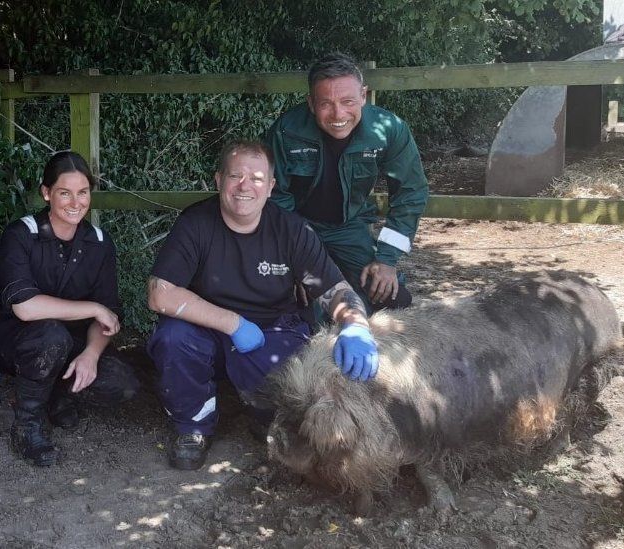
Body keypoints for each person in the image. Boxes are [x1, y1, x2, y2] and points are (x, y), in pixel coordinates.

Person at [146, 140, 379, 471]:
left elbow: (333, 289)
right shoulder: (196, 222)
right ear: (218, 181)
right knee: (173, 338)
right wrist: (234, 324)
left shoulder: (291, 230)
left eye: (256, 178)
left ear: (270, 187)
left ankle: (265, 413)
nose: (245, 187)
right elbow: (160, 293)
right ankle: (193, 424)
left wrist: (355, 324)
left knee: (289, 380)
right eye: (235, 176)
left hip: (272, 328)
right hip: (208, 327)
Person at [0, 151, 139, 467]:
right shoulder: (21, 233)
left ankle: (57, 395)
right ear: (46, 193)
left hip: (70, 342)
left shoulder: (100, 242)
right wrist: (92, 307)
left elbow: (107, 316)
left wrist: (92, 354)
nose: (75, 202)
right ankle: (28, 424)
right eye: (64, 193)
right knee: (51, 336)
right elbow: (25, 308)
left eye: (83, 192)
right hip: (12, 337)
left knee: (121, 384)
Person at [264, 52, 428, 314]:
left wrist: (386, 259)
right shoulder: (287, 130)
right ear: (310, 102)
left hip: (349, 225)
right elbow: (275, 196)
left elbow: (410, 193)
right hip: (300, 227)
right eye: (325, 104)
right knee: (304, 301)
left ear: (363, 95)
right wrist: (290, 254)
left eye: (348, 101)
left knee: (391, 297)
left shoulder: (389, 129)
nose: (338, 114)